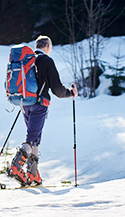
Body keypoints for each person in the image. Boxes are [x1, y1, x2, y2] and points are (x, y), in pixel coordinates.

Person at [7, 35, 78, 187]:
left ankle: (33, 174)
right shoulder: (46, 60)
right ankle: (16, 167)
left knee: (35, 137)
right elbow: (58, 89)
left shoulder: (28, 61)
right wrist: (71, 93)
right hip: (39, 105)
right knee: (32, 137)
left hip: (24, 103)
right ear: (47, 47)